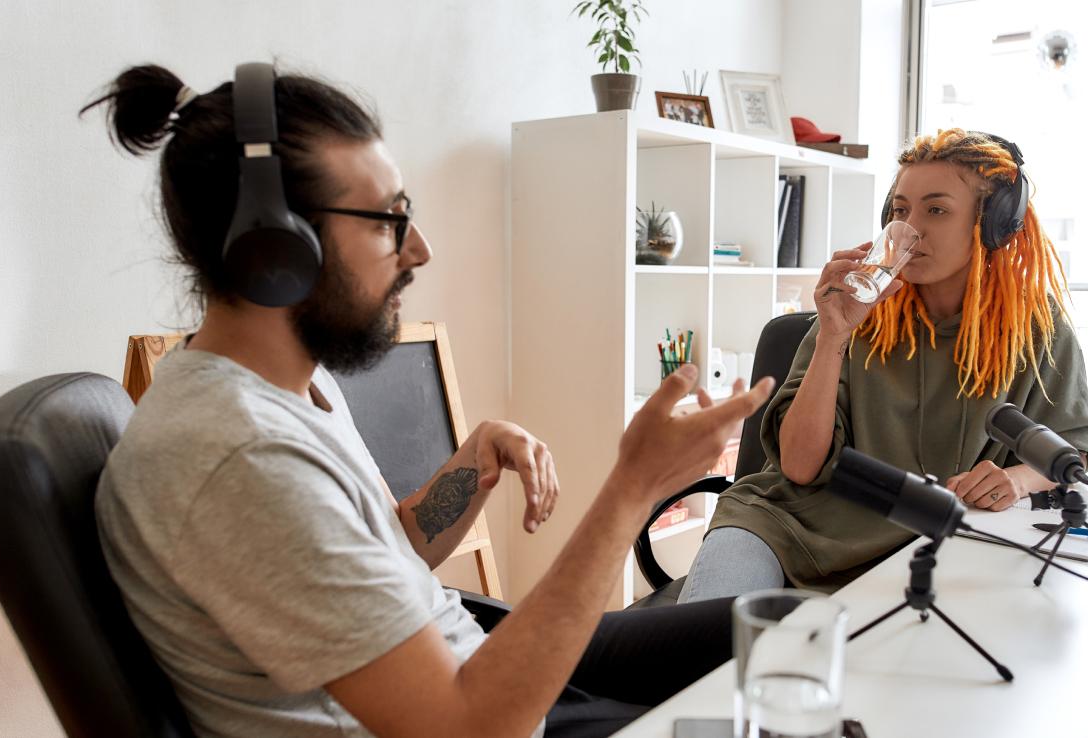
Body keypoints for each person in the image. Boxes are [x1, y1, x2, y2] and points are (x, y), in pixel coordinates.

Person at [88, 63, 776, 738]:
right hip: (483, 709)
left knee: (786, 625)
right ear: (276, 251)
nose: (419, 249)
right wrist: (633, 489)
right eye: (388, 221)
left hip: (478, 658)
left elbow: (384, 549)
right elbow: (468, 728)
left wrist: (470, 466)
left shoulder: (295, 385)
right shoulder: (240, 460)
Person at [679, 128, 1088, 601]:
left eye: (937, 209)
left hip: (931, 543)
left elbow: (1075, 446)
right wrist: (832, 337)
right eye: (901, 210)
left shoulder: (1034, 328)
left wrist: (1017, 478)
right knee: (702, 647)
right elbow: (799, 468)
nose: (912, 226)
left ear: (992, 225)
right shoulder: (857, 316)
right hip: (784, 527)